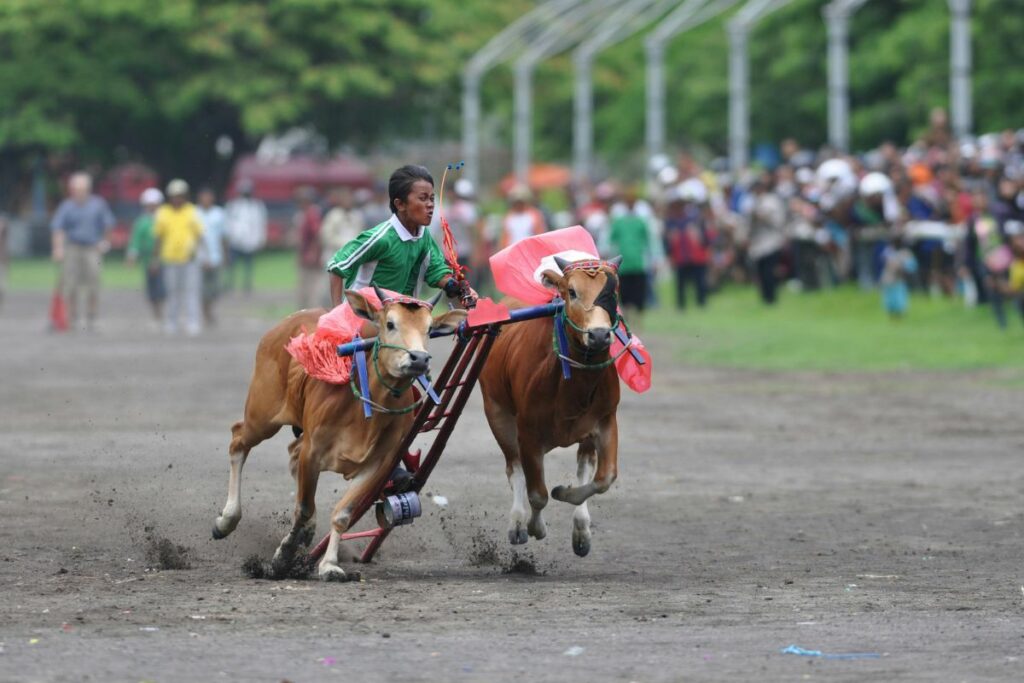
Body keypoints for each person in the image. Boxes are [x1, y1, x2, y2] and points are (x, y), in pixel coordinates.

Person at [325, 165, 475, 307]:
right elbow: (336, 266)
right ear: (400, 204)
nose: (430, 205)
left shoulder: (425, 237)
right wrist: (337, 315)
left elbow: (437, 271)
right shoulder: (381, 238)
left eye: (431, 198)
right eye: (423, 198)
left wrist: (456, 287)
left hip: (399, 323)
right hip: (364, 322)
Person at [50, 172, 115, 331]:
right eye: (75, 188)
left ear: (88, 188)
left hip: (93, 249)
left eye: (81, 188)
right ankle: (73, 318)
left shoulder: (98, 204)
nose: (77, 191)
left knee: (94, 283)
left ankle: (92, 318)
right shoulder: (67, 206)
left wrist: (105, 242)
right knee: (70, 285)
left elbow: (108, 224)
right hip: (73, 248)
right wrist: (58, 248)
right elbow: (58, 228)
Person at [154, 179, 204, 336]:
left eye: (180, 195)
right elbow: (159, 237)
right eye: (175, 195)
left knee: (191, 291)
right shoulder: (163, 212)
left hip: (189, 259)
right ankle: (171, 322)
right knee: (172, 292)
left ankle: (192, 322)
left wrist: (203, 254)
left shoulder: (192, 211)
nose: (177, 198)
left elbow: (199, 235)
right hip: (169, 258)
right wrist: (155, 258)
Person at [609, 190, 651, 323]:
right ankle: (626, 319)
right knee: (624, 294)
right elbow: (611, 240)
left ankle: (639, 321)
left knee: (639, 294)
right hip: (624, 264)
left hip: (638, 263)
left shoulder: (641, 221)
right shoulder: (619, 222)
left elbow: (649, 241)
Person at [125, 187, 166, 324]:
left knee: (165, 287)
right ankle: (157, 315)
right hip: (148, 260)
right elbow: (135, 241)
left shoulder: (165, 219)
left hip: (167, 259)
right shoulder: (142, 222)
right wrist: (132, 257)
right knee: (152, 289)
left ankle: (166, 314)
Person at [746, 172, 787, 305]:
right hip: (758, 243)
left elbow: (779, 221)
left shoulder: (772, 201)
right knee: (761, 273)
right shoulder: (754, 202)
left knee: (770, 271)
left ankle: (772, 298)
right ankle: (764, 298)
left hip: (771, 241)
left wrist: (765, 217)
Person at [225, 178, 267, 294]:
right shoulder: (233, 205)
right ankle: (230, 285)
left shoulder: (257, 206)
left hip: (250, 241)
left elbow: (260, 223)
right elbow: (229, 222)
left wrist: (260, 239)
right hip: (236, 240)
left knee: (248, 265)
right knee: (232, 264)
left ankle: (246, 286)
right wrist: (230, 237)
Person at [196, 187, 227, 326]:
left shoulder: (219, 214)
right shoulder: (195, 213)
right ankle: (205, 312)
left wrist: (224, 255)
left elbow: (223, 236)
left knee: (215, 289)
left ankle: (209, 309)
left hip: (215, 257)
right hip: (199, 258)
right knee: (202, 288)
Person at [294, 186, 323, 309]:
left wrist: (313, 253)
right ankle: (305, 312)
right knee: (305, 287)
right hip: (306, 254)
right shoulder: (306, 213)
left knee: (310, 288)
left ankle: (309, 314)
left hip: (310, 256)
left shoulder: (312, 213)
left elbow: (317, 234)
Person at [879, 235, 918, 319]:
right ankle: (891, 316)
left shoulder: (905, 253)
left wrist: (903, 267)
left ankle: (899, 317)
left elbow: (912, 267)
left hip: (899, 280)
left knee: (899, 299)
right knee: (889, 300)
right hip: (889, 278)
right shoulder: (888, 251)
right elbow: (884, 260)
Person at [500, 184, 546, 249]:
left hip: (529, 248)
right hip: (512, 249)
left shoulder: (534, 215)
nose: (519, 205)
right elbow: (504, 237)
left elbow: (539, 234)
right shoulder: (509, 217)